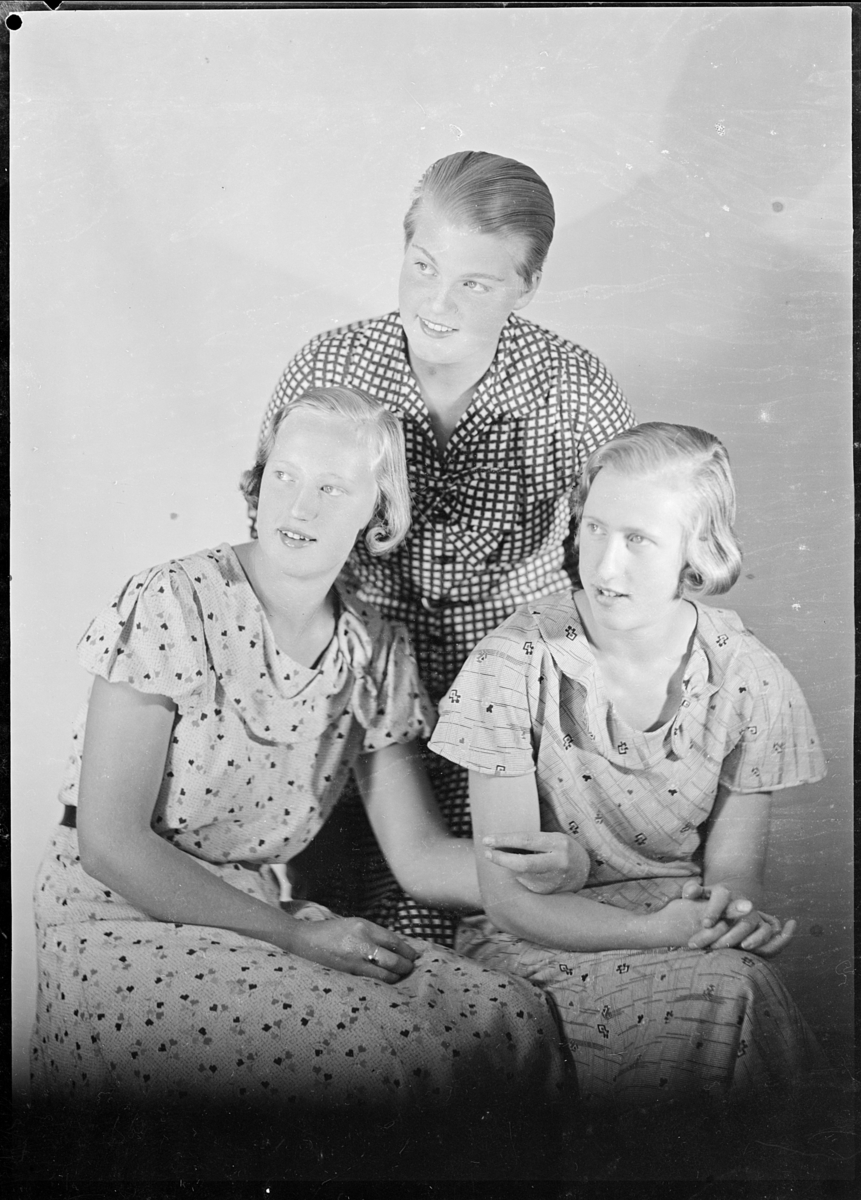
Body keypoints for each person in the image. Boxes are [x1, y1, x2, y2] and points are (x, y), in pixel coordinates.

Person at [30, 387, 575, 1126]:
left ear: (378, 514)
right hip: (116, 918)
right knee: (368, 1060)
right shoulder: (173, 600)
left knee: (502, 1013)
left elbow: (418, 858)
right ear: (258, 483)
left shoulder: (373, 648)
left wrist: (562, 876)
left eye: (331, 488)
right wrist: (295, 935)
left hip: (249, 914)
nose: (298, 505)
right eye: (284, 475)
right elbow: (109, 843)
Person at [258, 150, 635, 946]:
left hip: (518, 712)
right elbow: (283, 544)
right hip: (359, 704)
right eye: (423, 266)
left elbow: (610, 578)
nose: (436, 302)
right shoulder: (329, 368)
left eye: (475, 283)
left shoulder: (576, 393)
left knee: (522, 925)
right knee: (362, 945)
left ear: (526, 287)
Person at [429, 422, 827, 1111]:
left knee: (739, 984)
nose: (606, 567)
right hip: (539, 939)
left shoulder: (749, 676)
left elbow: (733, 873)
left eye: (638, 539)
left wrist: (728, 917)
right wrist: (652, 933)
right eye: (594, 529)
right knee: (723, 994)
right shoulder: (511, 663)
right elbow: (509, 899)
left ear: (697, 550)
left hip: (679, 928)